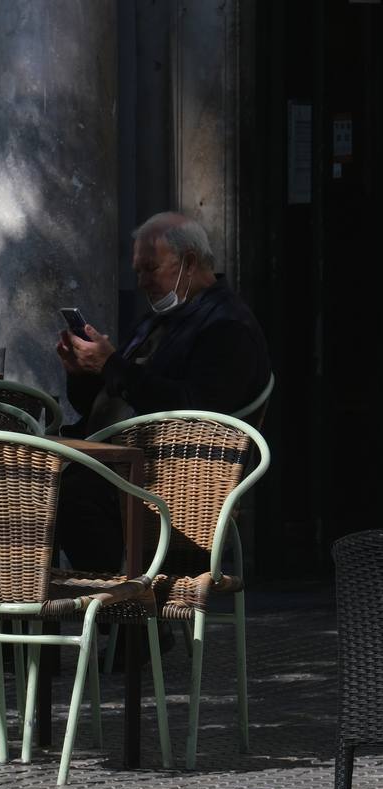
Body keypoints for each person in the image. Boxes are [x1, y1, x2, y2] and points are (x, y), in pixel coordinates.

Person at [54, 210, 270, 570]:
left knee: (68, 494)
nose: (141, 281)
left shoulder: (227, 327)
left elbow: (195, 411)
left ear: (189, 262)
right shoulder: (161, 318)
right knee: (30, 482)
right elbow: (111, 401)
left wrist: (112, 364)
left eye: (150, 269)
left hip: (175, 479)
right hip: (123, 465)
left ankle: (123, 608)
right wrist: (85, 371)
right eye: (137, 270)